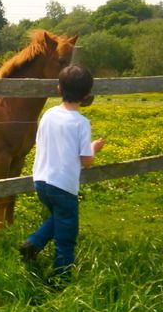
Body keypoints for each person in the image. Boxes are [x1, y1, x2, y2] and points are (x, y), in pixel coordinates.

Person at [19, 64, 105, 278]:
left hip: (41, 181)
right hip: (63, 186)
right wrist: (94, 147)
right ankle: (62, 278)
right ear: (86, 95)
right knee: (66, 234)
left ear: (59, 88)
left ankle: (33, 244)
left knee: (58, 217)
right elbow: (86, 161)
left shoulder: (48, 114)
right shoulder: (81, 123)